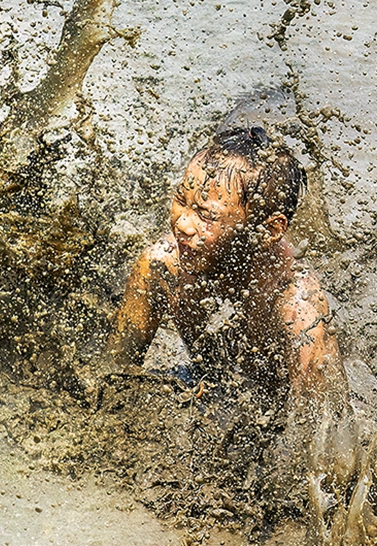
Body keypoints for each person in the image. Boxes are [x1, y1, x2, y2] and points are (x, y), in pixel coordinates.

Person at [99, 126, 347, 501]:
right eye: (182, 201)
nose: (182, 224)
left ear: (268, 230)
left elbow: (331, 443)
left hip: (273, 415)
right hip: (208, 383)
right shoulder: (162, 268)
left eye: (206, 216)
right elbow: (114, 373)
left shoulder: (297, 305)